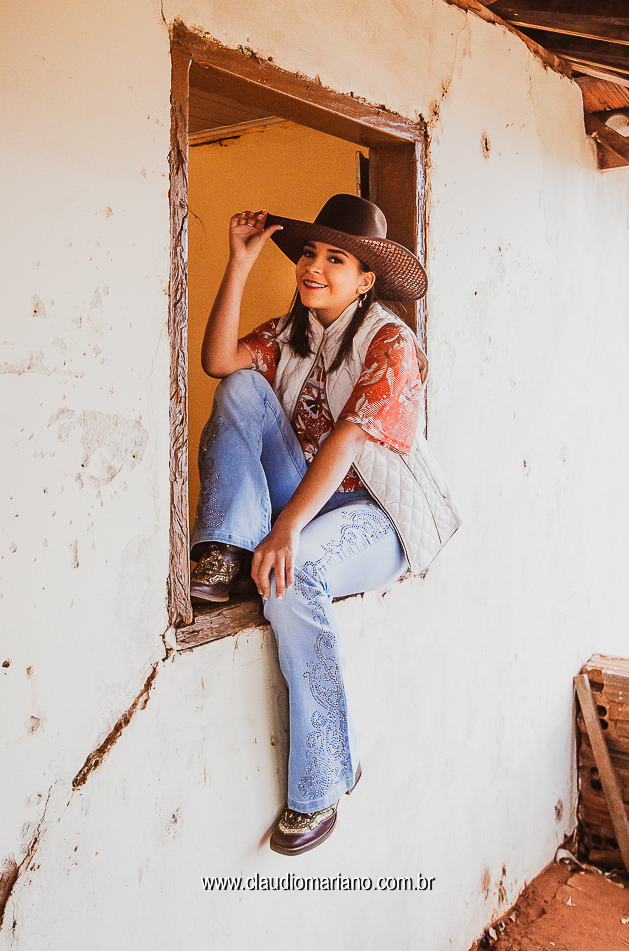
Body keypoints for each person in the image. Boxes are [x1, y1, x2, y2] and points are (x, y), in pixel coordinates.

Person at [189, 193, 460, 855]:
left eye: (336, 259)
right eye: (309, 253)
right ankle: (224, 551)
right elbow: (218, 361)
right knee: (240, 389)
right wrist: (240, 262)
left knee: (296, 576)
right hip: (307, 503)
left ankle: (326, 778)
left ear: (365, 281)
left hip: (377, 515)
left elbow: (346, 439)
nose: (314, 267)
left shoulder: (391, 343)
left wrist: (285, 531)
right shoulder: (293, 333)